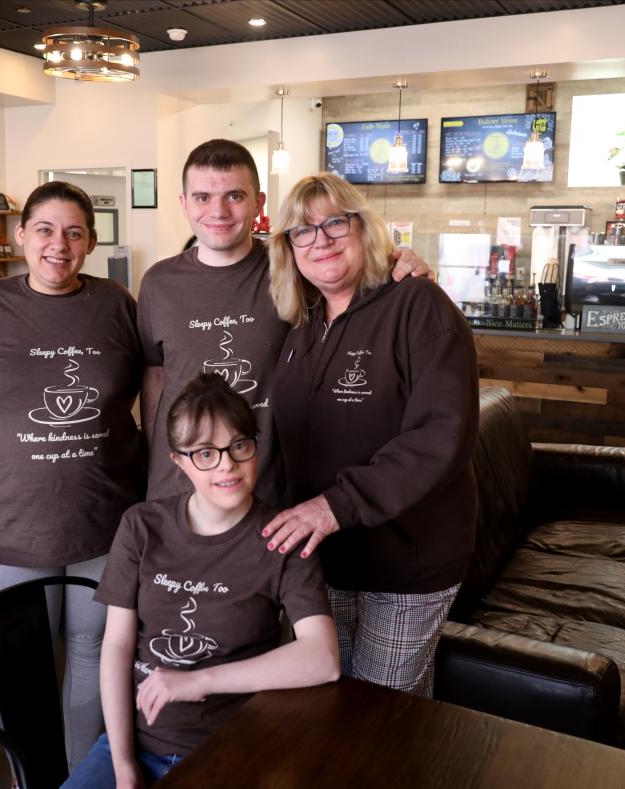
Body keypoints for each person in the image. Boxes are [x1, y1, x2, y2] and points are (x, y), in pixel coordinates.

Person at [64, 374, 339, 789]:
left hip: (232, 746)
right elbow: (118, 645)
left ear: (256, 448)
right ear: (178, 461)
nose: (227, 464)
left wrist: (199, 680)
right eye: (205, 453)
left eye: (239, 446)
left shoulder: (283, 535)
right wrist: (123, 766)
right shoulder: (141, 526)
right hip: (135, 744)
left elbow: (323, 659)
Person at [262, 173, 479, 697]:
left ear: (363, 228)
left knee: (381, 714)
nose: (322, 240)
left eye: (335, 222)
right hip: (324, 560)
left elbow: (440, 434)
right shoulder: (303, 323)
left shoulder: (418, 306)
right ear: (289, 249)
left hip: (404, 561)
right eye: (303, 231)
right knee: (327, 701)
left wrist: (333, 506)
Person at [0, 180, 145, 767]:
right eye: (44, 230)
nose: (57, 245)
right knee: (22, 661)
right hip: (16, 519)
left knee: (93, 649)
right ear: (21, 235)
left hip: (102, 513)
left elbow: (131, 393)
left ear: (89, 242)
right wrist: (25, 444)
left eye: (73, 233)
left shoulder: (116, 303)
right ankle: (31, 775)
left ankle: (85, 775)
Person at [137, 138, 429, 507]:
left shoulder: (292, 267)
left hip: (268, 492)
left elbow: (349, 277)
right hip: (178, 490)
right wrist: (154, 454)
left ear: (258, 203)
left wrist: (401, 262)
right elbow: (155, 375)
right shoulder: (158, 283)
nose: (219, 211)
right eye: (202, 197)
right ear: (183, 204)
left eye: (234, 196)